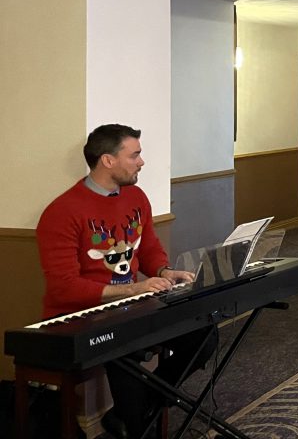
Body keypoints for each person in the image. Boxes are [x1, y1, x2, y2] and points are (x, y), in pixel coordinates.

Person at [36, 124, 214, 439]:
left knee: (203, 334)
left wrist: (163, 271)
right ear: (108, 160)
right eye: (134, 155)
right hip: (79, 314)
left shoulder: (136, 197)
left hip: (128, 304)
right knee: (126, 351)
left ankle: (138, 410)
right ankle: (138, 426)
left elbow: (148, 248)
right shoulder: (62, 211)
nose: (141, 162)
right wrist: (132, 288)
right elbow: (63, 287)